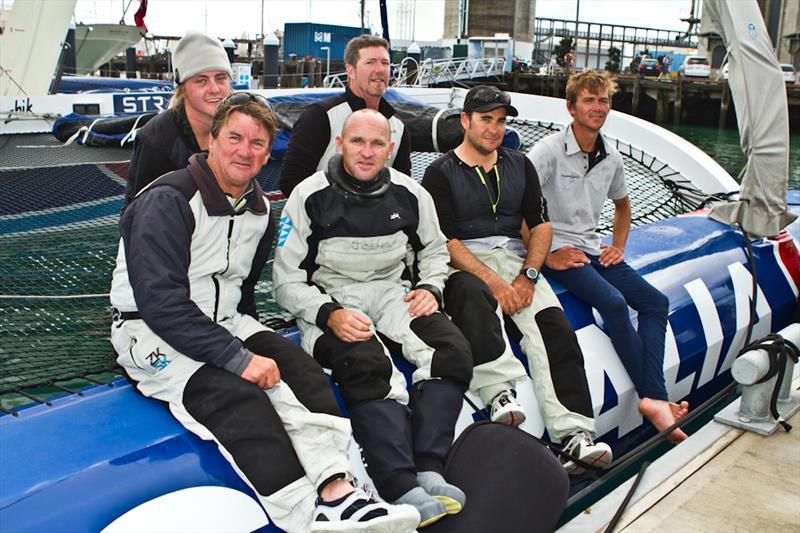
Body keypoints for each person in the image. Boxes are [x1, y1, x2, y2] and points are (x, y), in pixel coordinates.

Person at [110, 95, 420, 533]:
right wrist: (238, 359)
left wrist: (254, 344)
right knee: (239, 397)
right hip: (149, 331)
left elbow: (241, 290)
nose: (245, 151)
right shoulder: (170, 199)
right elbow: (160, 301)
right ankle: (301, 513)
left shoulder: (258, 207)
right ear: (212, 141)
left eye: (258, 143)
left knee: (303, 370)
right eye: (234, 137)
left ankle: (338, 490)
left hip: (225, 319)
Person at [273, 109, 473, 528]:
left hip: (391, 292)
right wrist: (327, 314)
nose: (367, 152)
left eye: (377, 143)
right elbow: (285, 282)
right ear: (340, 144)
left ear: (391, 148)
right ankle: (397, 483)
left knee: (452, 352)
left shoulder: (412, 194)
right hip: (330, 298)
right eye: (358, 142)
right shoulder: (307, 197)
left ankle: (429, 468)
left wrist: (432, 286)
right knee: (367, 364)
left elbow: (435, 251)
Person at [421, 85, 612, 473]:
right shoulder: (439, 173)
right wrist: (494, 282)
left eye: (501, 121)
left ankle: (574, 433)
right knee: (472, 297)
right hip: (465, 262)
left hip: (515, 256)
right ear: (465, 122)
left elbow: (540, 225)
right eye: (486, 119)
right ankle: (498, 394)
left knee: (553, 324)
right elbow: (446, 240)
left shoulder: (519, 164)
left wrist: (528, 275)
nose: (494, 129)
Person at [528, 70, 689, 443]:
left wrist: (618, 246)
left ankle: (653, 396)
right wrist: (547, 257)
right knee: (615, 304)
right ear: (571, 107)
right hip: (558, 249)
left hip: (590, 247)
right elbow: (521, 205)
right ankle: (655, 399)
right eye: (589, 100)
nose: (598, 108)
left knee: (655, 302)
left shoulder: (610, 156)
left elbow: (623, 206)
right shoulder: (549, 151)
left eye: (603, 101)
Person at [279, 34, 412, 197]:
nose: (380, 69)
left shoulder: (398, 127)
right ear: (350, 70)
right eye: (370, 62)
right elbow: (291, 181)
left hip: (376, 220)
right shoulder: (320, 116)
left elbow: (401, 186)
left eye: (385, 62)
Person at [125, 31, 233, 205]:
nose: (214, 89)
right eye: (201, 80)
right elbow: (140, 213)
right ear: (182, 89)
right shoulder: (158, 140)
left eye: (220, 78)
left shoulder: (236, 126)